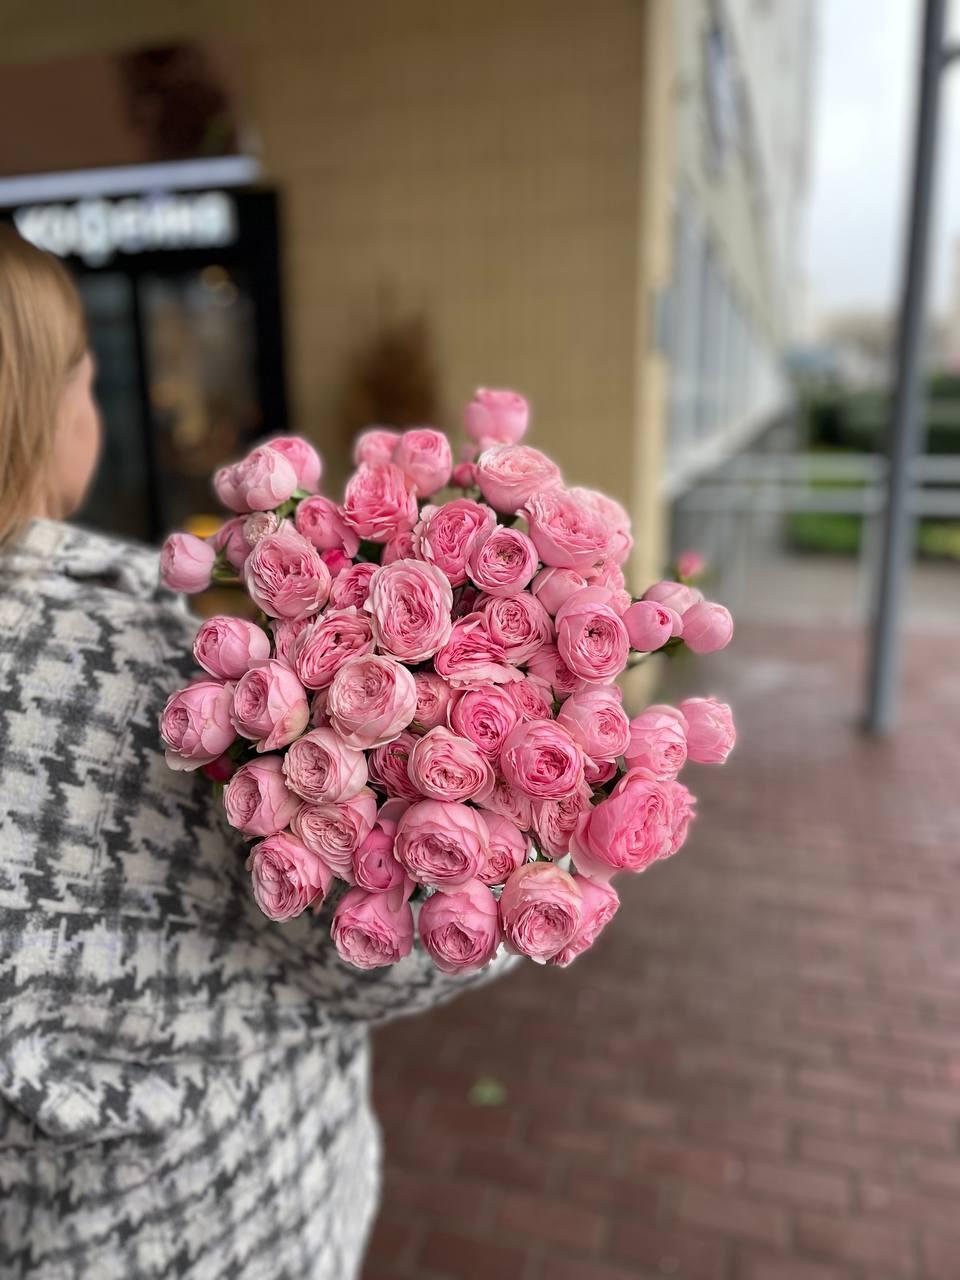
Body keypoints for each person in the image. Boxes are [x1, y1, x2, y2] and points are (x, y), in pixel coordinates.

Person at [0, 226, 509, 1279]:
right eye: (85, 382)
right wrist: (520, 833)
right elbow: (359, 959)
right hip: (205, 1225)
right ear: (34, 414)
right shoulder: (157, 679)